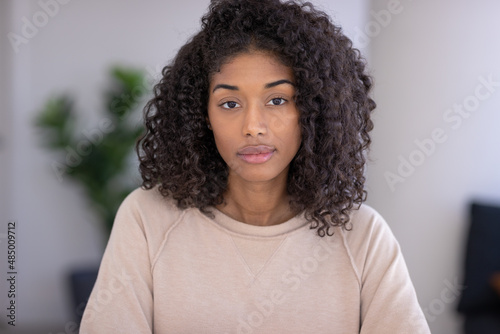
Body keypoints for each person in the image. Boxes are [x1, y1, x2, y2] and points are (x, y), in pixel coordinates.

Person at [80, 0, 431, 332]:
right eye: (229, 103)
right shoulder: (146, 219)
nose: (252, 126)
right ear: (204, 116)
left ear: (310, 110)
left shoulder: (363, 236)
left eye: (277, 100)